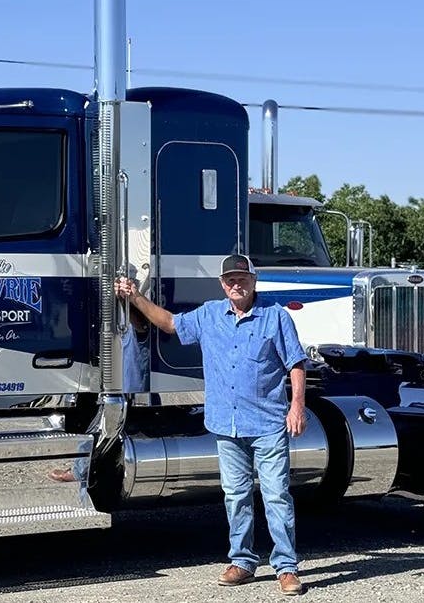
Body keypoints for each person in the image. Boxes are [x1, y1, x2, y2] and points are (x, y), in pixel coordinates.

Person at [117, 254, 307, 597]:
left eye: (243, 279)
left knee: (276, 496)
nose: (237, 284)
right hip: (226, 424)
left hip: (267, 423)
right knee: (236, 497)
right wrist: (135, 297)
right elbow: (170, 323)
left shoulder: (275, 318)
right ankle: (243, 562)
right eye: (231, 280)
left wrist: (297, 407)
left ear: (254, 282)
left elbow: (295, 363)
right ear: (223, 285)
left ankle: (286, 568)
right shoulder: (208, 315)